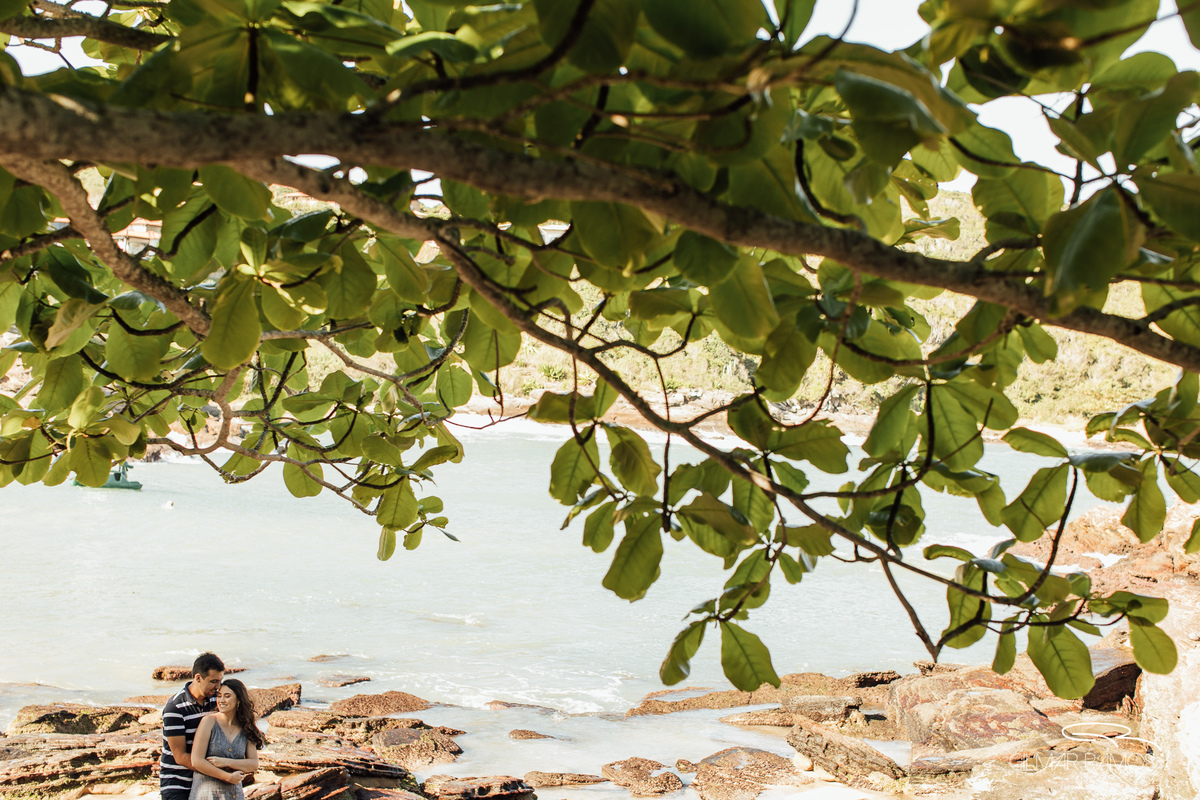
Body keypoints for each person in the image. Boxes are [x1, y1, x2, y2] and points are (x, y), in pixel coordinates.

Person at [159, 653, 224, 800]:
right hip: (178, 782)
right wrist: (221, 773)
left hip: (207, 778)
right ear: (198, 678)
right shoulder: (174, 708)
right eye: (213, 681)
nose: (218, 687)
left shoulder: (217, 700)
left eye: (220, 681)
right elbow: (180, 757)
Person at [188, 679, 264, 800]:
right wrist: (227, 777)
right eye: (219, 696)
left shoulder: (246, 727)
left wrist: (225, 762)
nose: (221, 700)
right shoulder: (209, 721)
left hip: (234, 795)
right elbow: (196, 761)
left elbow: (253, 764)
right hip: (207, 795)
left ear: (238, 700)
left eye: (227, 696)